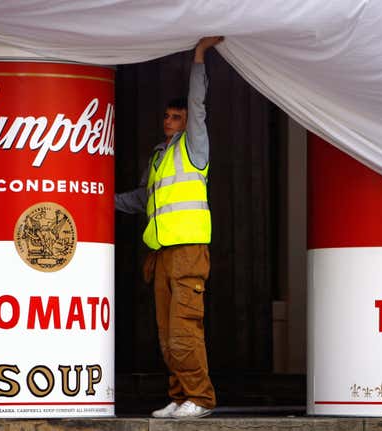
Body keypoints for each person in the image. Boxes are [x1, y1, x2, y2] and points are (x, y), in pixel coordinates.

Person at [116, 36, 223, 419]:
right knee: (166, 333)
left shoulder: (193, 147)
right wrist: (96, 199)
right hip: (162, 253)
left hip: (189, 250)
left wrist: (198, 58)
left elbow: (197, 105)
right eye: (166, 117)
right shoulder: (159, 156)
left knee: (184, 328)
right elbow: (142, 199)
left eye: (176, 117)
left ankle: (201, 397)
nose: (169, 121)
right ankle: (180, 395)